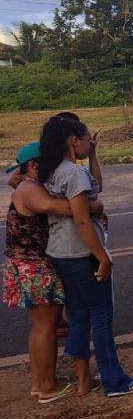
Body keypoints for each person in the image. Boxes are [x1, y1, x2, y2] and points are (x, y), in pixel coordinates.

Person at [39, 116, 133, 397]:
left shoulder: (54, 171)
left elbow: (95, 187)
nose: (90, 141)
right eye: (87, 137)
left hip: (61, 253)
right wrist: (102, 257)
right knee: (101, 315)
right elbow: (82, 220)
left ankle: (83, 380)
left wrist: (93, 154)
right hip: (80, 253)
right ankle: (115, 381)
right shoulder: (72, 174)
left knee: (79, 315)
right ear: (73, 140)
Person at [4, 142, 102, 403]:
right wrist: (93, 206)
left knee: (40, 327)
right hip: (33, 266)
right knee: (45, 327)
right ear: (36, 165)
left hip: (25, 264)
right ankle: (47, 386)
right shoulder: (32, 189)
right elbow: (58, 208)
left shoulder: (26, 185)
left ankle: (40, 382)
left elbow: (13, 177)